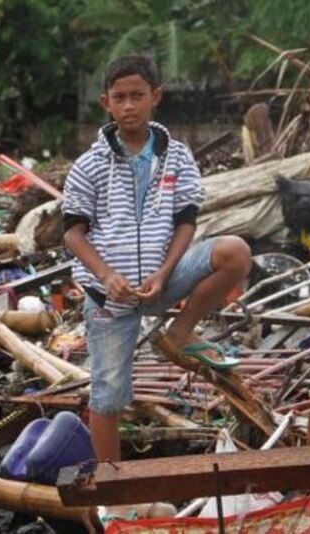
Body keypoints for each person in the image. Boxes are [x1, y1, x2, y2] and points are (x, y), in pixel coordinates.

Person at [61, 55, 252, 464]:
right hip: (109, 295)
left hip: (163, 280)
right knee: (108, 392)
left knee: (234, 251)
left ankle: (181, 334)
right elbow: (72, 232)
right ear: (105, 103)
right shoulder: (89, 165)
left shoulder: (177, 157)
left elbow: (186, 221)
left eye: (137, 96)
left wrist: (166, 273)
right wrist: (106, 275)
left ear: (155, 97)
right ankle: (110, 486)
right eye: (119, 98)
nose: (128, 105)